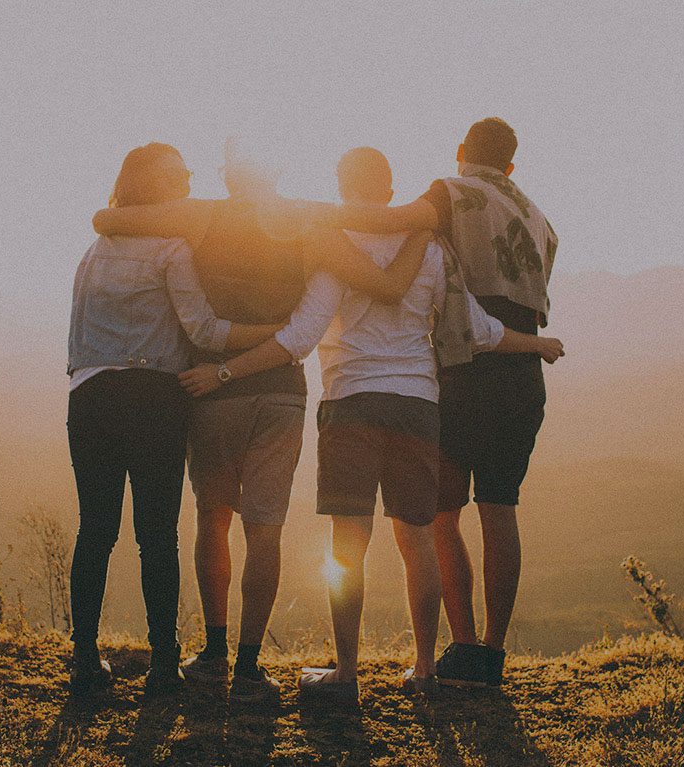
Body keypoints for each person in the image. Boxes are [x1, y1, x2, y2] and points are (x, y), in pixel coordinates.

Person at [178, 146, 563, 701]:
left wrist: (225, 371)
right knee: (418, 542)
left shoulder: (333, 246)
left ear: (342, 186)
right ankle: (426, 668)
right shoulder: (430, 249)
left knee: (347, 546)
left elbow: (301, 337)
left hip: (351, 403)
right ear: (389, 191)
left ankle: (347, 674)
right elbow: (478, 329)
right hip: (418, 406)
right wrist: (538, 344)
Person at [90, 141, 431, 703]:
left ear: (228, 177)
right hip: (281, 392)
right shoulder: (308, 221)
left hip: (211, 389)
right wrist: (424, 228)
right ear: (275, 170)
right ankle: (250, 667)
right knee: (265, 528)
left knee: (213, 518)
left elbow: (111, 218)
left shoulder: (201, 215)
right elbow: (379, 280)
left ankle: (214, 651)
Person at [311, 119, 559, 687]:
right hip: (520, 372)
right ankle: (490, 655)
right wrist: (538, 344)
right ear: (512, 166)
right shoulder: (541, 219)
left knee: (438, 517)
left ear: (461, 153)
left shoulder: (451, 193)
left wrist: (308, 216)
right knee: (501, 508)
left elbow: (394, 222)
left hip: (463, 368)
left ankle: (461, 646)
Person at [66, 142, 280, 696]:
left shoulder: (95, 249)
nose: (188, 179)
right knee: (156, 535)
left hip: (89, 395)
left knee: (95, 530)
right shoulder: (172, 248)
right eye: (179, 174)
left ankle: (85, 661)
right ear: (157, 187)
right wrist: (276, 334)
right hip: (154, 397)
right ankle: (164, 667)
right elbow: (205, 333)